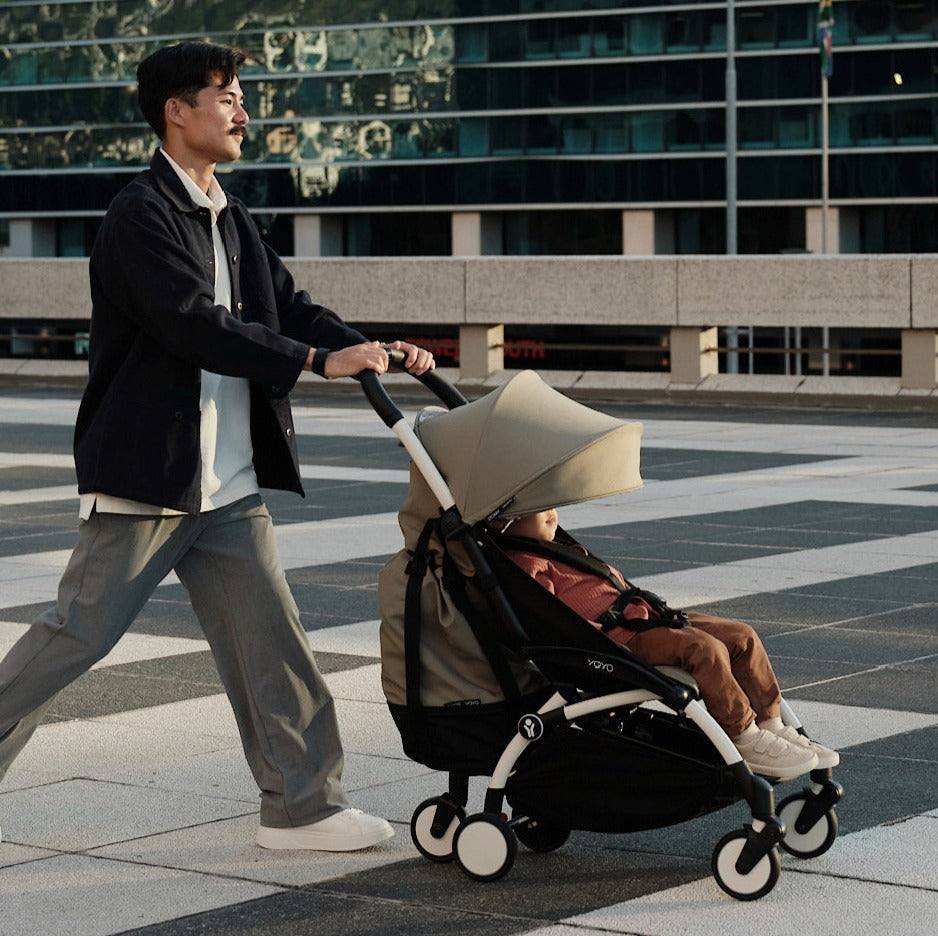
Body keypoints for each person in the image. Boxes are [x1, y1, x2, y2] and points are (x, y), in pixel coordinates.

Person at [0, 41, 435, 852]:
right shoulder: (140, 215)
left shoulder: (228, 213)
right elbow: (194, 324)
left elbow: (289, 306)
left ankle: (302, 807)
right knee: (71, 640)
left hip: (226, 484)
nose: (243, 111)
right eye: (228, 96)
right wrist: (311, 362)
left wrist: (368, 347)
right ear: (178, 109)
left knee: (274, 645)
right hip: (149, 481)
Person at [491, 508, 839, 781]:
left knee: (742, 636)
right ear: (504, 522)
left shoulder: (560, 549)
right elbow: (551, 622)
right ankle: (744, 734)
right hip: (621, 639)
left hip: (649, 614)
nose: (552, 513)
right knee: (705, 650)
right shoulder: (525, 567)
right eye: (538, 511)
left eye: (551, 506)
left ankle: (771, 723)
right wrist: (599, 638)